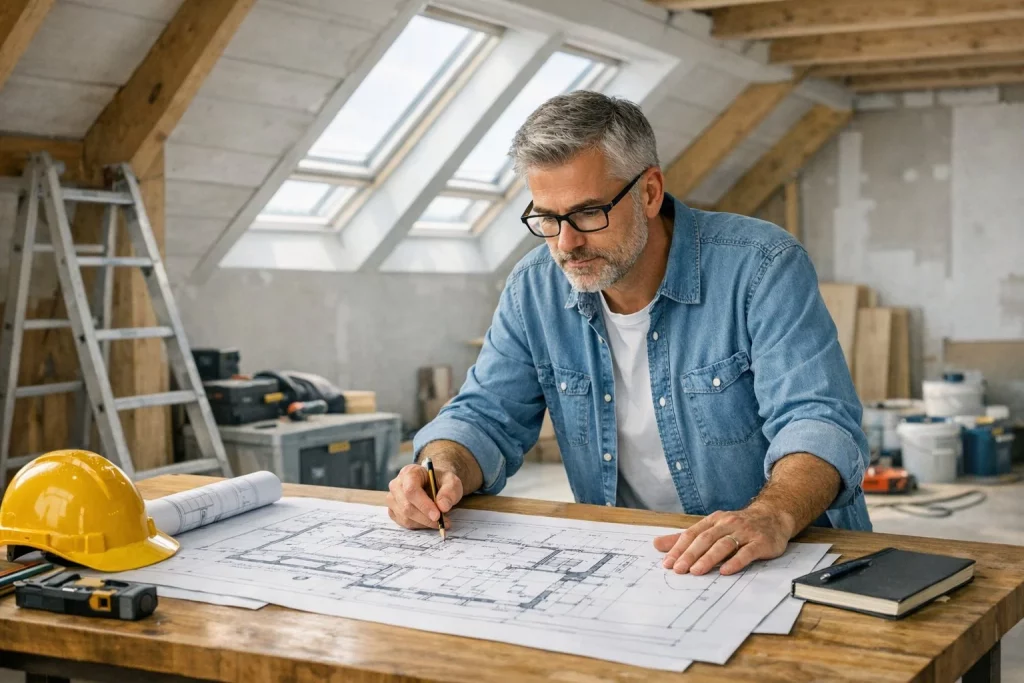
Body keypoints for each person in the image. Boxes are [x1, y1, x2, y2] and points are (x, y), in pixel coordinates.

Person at [387, 90, 870, 576]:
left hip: (793, 558)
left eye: (588, 214)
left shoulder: (762, 266)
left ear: (649, 192)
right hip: (637, 568)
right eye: (547, 218)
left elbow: (818, 420)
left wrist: (771, 514)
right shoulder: (533, 288)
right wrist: (441, 469)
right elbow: (485, 417)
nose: (567, 243)